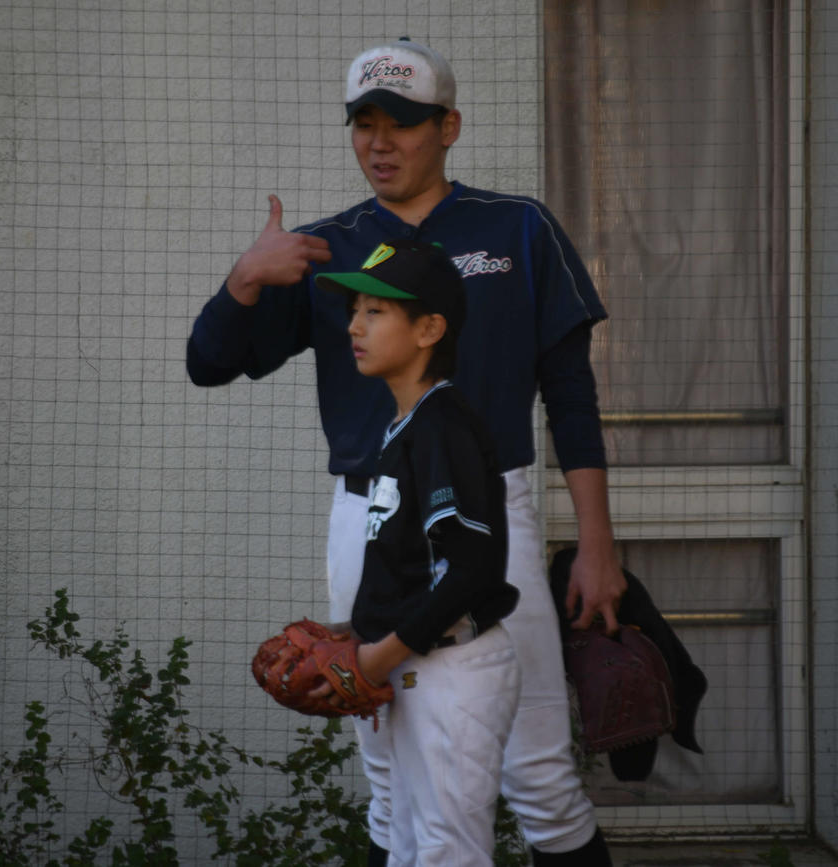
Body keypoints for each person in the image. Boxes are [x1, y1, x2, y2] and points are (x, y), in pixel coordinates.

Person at [187, 37, 623, 866]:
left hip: (491, 510)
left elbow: (571, 396)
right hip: (369, 513)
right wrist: (245, 278)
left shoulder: (518, 227)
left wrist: (597, 545)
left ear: (448, 127)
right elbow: (207, 365)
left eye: (404, 123)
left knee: (537, 772)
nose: (381, 143)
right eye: (365, 123)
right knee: (391, 774)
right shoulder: (326, 250)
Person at [312, 237, 522, 865]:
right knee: (408, 846)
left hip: (453, 670)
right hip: (417, 664)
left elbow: (472, 569)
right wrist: (360, 630)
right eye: (354, 310)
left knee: (446, 853)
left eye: (376, 311)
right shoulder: (408, 425)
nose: (354, 326)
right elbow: (416, 564)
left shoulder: (443, 428)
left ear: (429, 329)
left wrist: (375, 657)